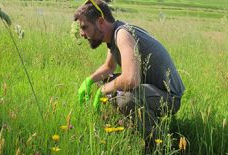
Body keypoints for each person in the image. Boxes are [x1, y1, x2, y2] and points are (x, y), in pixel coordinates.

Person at [75, 0, 185, 152]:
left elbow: (131, 79)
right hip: (153, 90)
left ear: (101, 22)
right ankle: (129, 128)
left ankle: (160, 145)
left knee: (124, 99)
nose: (82, 33)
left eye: (84, 27)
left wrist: (103, 90)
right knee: (107, 83)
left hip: (170, 96)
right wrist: (89, 81)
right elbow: (109, 67)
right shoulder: (114, 35)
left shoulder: (123, 34)